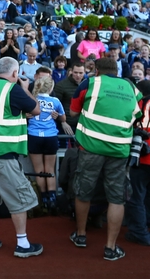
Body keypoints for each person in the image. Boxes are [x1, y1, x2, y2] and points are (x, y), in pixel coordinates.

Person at [69, 57, 142, 261]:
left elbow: (73, 111)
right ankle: (110, 247)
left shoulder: (90, 82)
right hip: (119, 150)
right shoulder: (131, 88)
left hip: (90, 147)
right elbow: (138, 117)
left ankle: (81, 235)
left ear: (97, 70)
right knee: (116, 198)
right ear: (117, 71)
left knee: (84, 192)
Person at [0, 57, 42, 258]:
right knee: (19, 200)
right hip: (3, 154)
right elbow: (36, 109)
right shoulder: (13, 89)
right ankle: (22, 243)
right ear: (15, 73)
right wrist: (25, 87)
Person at [28, 75, 71, 213]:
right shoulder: (55, 101)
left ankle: (44, 199)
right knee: (50, 170)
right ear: (51, 87)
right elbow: (63, 118)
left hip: (34, 135)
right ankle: (52, 198)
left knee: (39, 170)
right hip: (50, 136)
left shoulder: (32, 99)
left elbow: (26, 114)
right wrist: (57, 116)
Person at [125, 79, 150, 246]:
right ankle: (145, 225)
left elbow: (130, 124)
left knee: (136, 196)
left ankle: (139, 232)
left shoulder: (140, 102)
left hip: (143, 157)